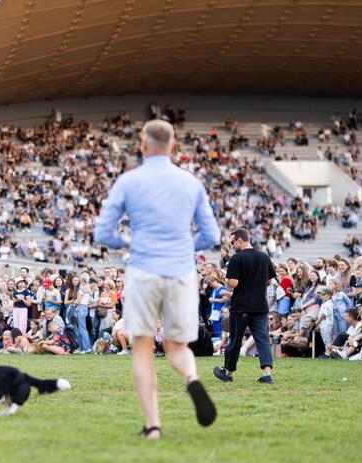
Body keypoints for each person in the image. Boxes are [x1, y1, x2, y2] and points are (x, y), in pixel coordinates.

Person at [95, 119, 219, 439]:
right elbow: (211, 235)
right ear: (173, 144)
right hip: (180, 271)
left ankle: (152, 426)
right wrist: (181, 247)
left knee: (142, 347)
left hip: (144, 270)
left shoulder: (128, 181)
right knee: (178, 346)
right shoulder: (190, 183)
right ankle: (192, 379)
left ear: (142, 143)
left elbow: (103, 232)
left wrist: (128, 242)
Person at [214, 228, 276, 384]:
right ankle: (266, 374)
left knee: (234, 340)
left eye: (233, 241)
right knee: (263, 340)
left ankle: (227, 373)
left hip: (241, 306)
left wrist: (225, 277)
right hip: (260, 307)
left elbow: (233, 284)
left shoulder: (237, 258)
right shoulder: (264, 256)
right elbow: (270, 281)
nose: (233, 244)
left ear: (240, 240)